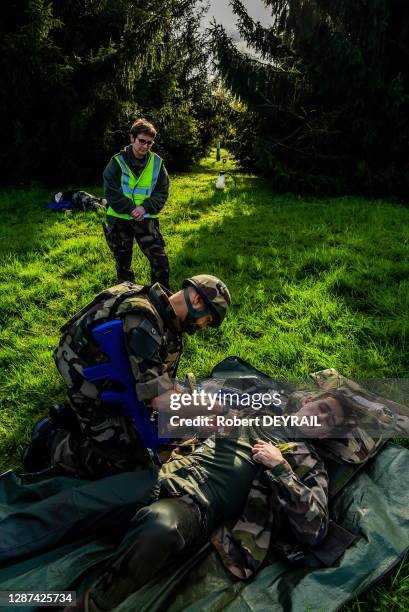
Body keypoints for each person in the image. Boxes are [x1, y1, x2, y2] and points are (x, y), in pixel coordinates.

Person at [67, 390, 347, 612]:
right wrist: (207, 423)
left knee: (160, 526)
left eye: (330, 422)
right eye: (322, 409)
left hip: (195, 505)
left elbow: (316, 530)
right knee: (80, 502)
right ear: (308, 401)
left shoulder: (308, 464)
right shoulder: (256, 412)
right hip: (166, 474)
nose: (321, 419)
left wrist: (280, 469)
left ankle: (92, 605)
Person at [22, 274, 231, 479]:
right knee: (131, 464)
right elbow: (159, 400)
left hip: (114, 382)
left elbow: (160, 383)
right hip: (92, 390)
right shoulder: (142, 319)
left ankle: (73, 418)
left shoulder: (163, 315)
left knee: (164, 428)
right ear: (196, 301)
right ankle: (53, 441)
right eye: (208, 319)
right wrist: (218, 409)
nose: (203, 326)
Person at [102, 118, 171, 288]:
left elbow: (162, 191)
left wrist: (144, 207)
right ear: (132, 138)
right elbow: (111, 190)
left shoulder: (157, 163)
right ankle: (126, 298)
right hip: (119, 219)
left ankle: (161, 299)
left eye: (149, 143)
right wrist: (131, 208)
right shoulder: (117, 162)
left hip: (146, 218)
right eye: (142, 141)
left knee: (160, 261)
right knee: (123, 264)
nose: (145, 146)